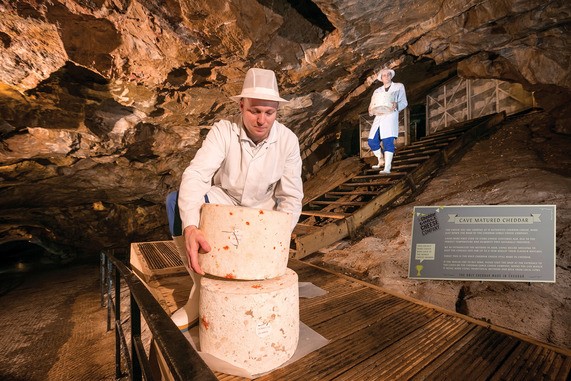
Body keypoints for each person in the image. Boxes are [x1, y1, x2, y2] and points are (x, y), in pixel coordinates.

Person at [166, 68, 304, 331]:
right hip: (224, 200)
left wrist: (278, 237)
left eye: (269, 113)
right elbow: (196, 174)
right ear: (241, 106)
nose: (262, 120)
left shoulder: (288, 141)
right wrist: (191, 226)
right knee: (175, 202)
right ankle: (200, 288)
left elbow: (291, 196)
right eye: (254, 111)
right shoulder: (223, 131)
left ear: (277, 111)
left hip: (262, 212)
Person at [367, 68, 408, 173]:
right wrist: (371, 111)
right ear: (381, 78)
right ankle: (381, 159)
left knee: (388, 142)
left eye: (388, 74)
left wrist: (397, 105)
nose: (386, 76)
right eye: (384, 75)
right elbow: (372, 105)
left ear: (391, 76)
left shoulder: (399, 86)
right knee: (372, 141)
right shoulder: (377, 91)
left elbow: (404, 102)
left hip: (390, 116)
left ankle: (387, 168)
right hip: (379, 117)